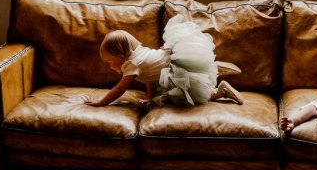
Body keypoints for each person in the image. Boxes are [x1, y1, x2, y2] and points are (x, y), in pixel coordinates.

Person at [85, 16, 243, 107]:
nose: (108, 66)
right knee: (195, 75)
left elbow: (119, 90)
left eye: (108, 62)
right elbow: (149, 78)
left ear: (121, 58)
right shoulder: (140, 56)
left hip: (175, 68)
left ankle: (220, 90)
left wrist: (101, 102)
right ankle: (212, 67)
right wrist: (149, 97)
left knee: (191, 97)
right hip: (174, 57)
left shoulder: (131, 65)